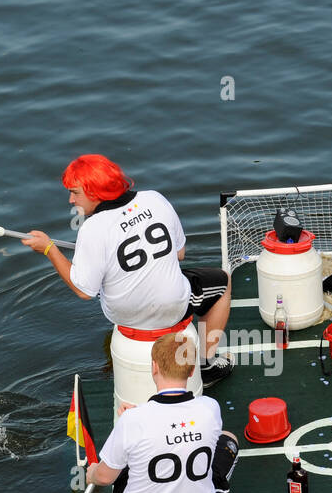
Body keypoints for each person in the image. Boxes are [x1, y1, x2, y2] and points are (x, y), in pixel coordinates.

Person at [20, 154, 234, 384]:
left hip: (124, 315)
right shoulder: (155, 199)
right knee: (222, 282)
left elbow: (84, 291)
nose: (71, 201)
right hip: (174, 308)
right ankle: (206, 364)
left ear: (95, 193)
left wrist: (49, 249)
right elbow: (180, 254)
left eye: (75, 193)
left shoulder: (92, 228)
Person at [87, 331, 239, 493]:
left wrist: (91, 475)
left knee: (122, 461)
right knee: (229, 439)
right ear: (192, 370)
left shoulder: (134, 420)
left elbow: (105, 478)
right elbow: (177, 428)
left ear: (154, 367)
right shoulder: (210, 408)